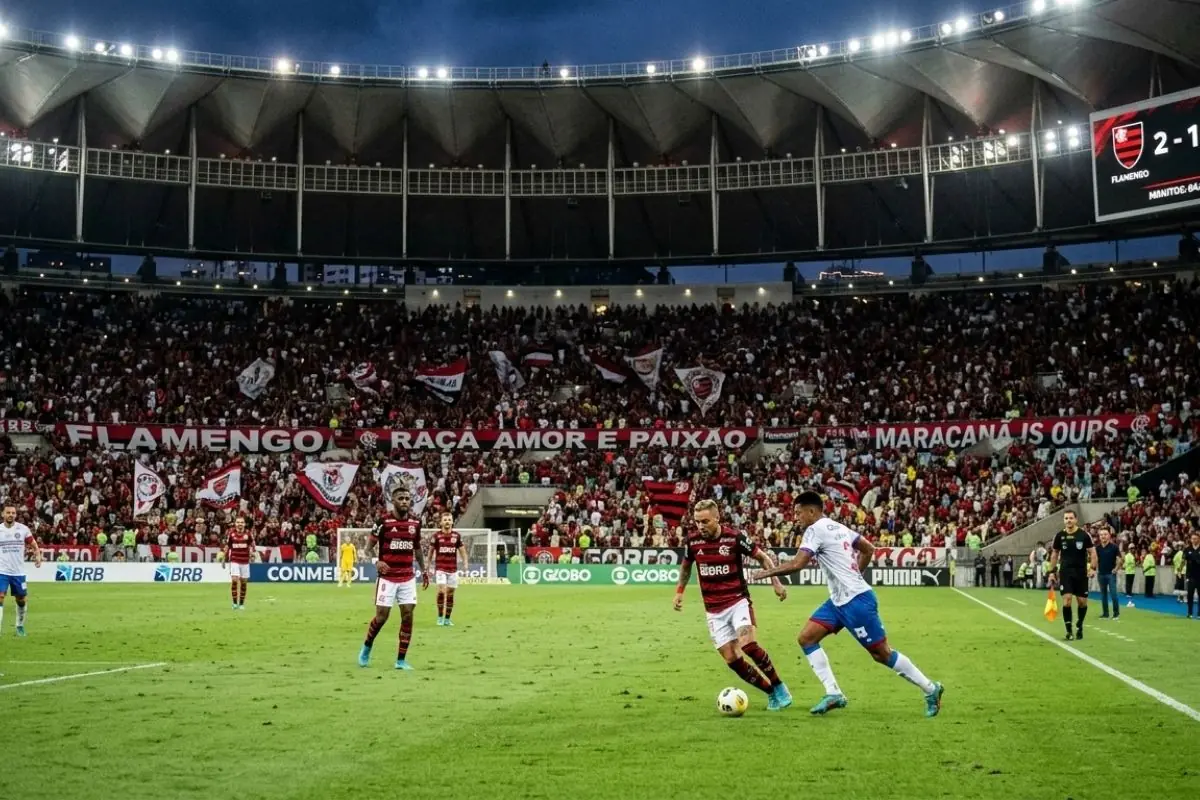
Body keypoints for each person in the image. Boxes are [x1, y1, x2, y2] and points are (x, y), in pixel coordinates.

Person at [750, 491, 944, 718]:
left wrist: (766, 573)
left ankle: (931, 689)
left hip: (856, 602)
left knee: (882, 654)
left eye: (798, 512)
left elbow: (798, 563)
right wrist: (857, 575)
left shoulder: (815, 530)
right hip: (839, 601)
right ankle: (833, 693)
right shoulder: (839, 527)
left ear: (812, 511)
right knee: (807, 638)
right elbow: (868, 549)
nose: (796, 517)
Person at [673, 499, 792, 711]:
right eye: (697, 522)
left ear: (717, 518)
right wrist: (679, 592)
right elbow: (685, 567)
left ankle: (780, 686)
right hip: (713, 610)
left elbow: (763, 558)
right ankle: (771, 693)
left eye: (705, 522)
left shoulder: (735, 538)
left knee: (748, 644)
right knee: (731, 658)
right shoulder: (692, 542)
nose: (700, 527)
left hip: (737, 601)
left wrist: (775, 582)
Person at [359, 488, 429, 670]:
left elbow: (418, 549)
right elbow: (367, 549)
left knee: (407, 615)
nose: (405, 501)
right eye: (401, 498)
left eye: (407, 498)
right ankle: (367, 647)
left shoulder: (415, 522)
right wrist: (377, 561)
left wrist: (425, 570)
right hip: (387, 578)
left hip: (407, 577)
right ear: (393, 501)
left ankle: (401, 660)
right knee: (382, 618)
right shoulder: (383, 522)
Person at [1047, 510, 1097, 641]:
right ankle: (1069, 631)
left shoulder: (1084, 535)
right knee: (1067, 600)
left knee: (1082, 602)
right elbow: (1054, 554)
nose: (1068, 520)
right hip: (1065, 572)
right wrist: (1051, 572)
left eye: (1071, 518)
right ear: (1064, 520)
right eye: (1066, 518)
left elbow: (1092, 553)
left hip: (1081, 573)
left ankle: (1079, 624)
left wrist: (1092, 568)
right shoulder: (1059, 536)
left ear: (1076, 520)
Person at [0, 506, 41, 636]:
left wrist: (38, 556)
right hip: (2, 571)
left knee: (21, 599)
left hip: (18, 572)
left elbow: (34, 545)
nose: (11, 515)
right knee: (0, 597)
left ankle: (20, 626)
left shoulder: (23, 529)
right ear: (3, 514)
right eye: (8, 512)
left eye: (13, 513)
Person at [431, 511, 468, 626]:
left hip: (453, 569)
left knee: (451, 594)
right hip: (440, 568)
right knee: (442, 591)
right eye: (445, 520)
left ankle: (447, 619)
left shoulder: (456, 536)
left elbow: (463, 551)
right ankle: (440, 617)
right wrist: (428, 564)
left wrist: (466, 563)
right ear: (441, 522)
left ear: (452, 522)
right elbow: (431, 551)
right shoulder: (436, 536)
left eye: (449, 520)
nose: (447, 522)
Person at [223, 517, 254, 610]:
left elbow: (252, 545)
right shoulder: (231, 534)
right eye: (238, 522)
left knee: (244, 582)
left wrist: (252, 553)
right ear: (235, 524)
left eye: (241, 522)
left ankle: (241, 604)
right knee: (235, 580)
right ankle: (234, 603)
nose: (240, 524)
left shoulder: (248, 534)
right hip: (234, 560)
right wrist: (224, 559)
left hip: (245, 561)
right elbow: (227, 547)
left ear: (244, 524)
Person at [1094, 528, 1121, 620]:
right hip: (1101, 574)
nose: (1103, 536)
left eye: (1105, 534)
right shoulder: (1097, 548)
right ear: (1099, 537)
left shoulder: (1114, 547)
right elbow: (1095, 560)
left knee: (1113, 594)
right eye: (1101, 535)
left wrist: (1116, 569)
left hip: (1111, 574)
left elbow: (1120, 559)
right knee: (1103, 595)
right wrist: (1096, 569)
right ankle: (1105, 614)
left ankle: (1116, 614)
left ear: (1109, 536)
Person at [1183, 532, 1200, 619]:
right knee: (1190, 595)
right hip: (1191, 576)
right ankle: (1190, 613)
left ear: (1199, 539)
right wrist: (1180, 571)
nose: (1193, 540)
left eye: (1195, 538)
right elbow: (1183, 561)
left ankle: (1199, 613)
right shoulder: (1187, 549)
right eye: (1192, 539)